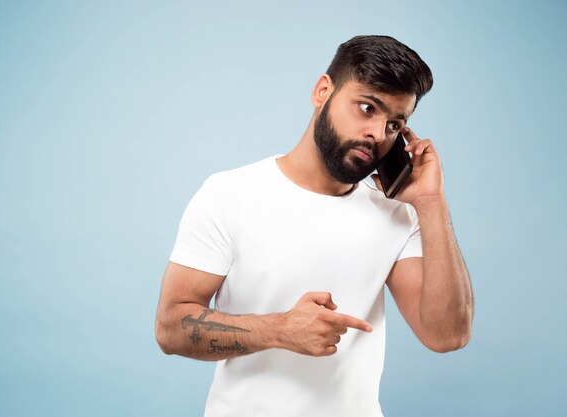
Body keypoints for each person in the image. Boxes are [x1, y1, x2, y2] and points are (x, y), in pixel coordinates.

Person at [155, 35, 474, 417]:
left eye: (394, 124)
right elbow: (171, 327)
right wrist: (280, 329)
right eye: (366, 107)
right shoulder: (229, 193)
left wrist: (431, 203)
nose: (377, 133)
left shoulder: (397, 214)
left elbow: (447, 335)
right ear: (323, 91)